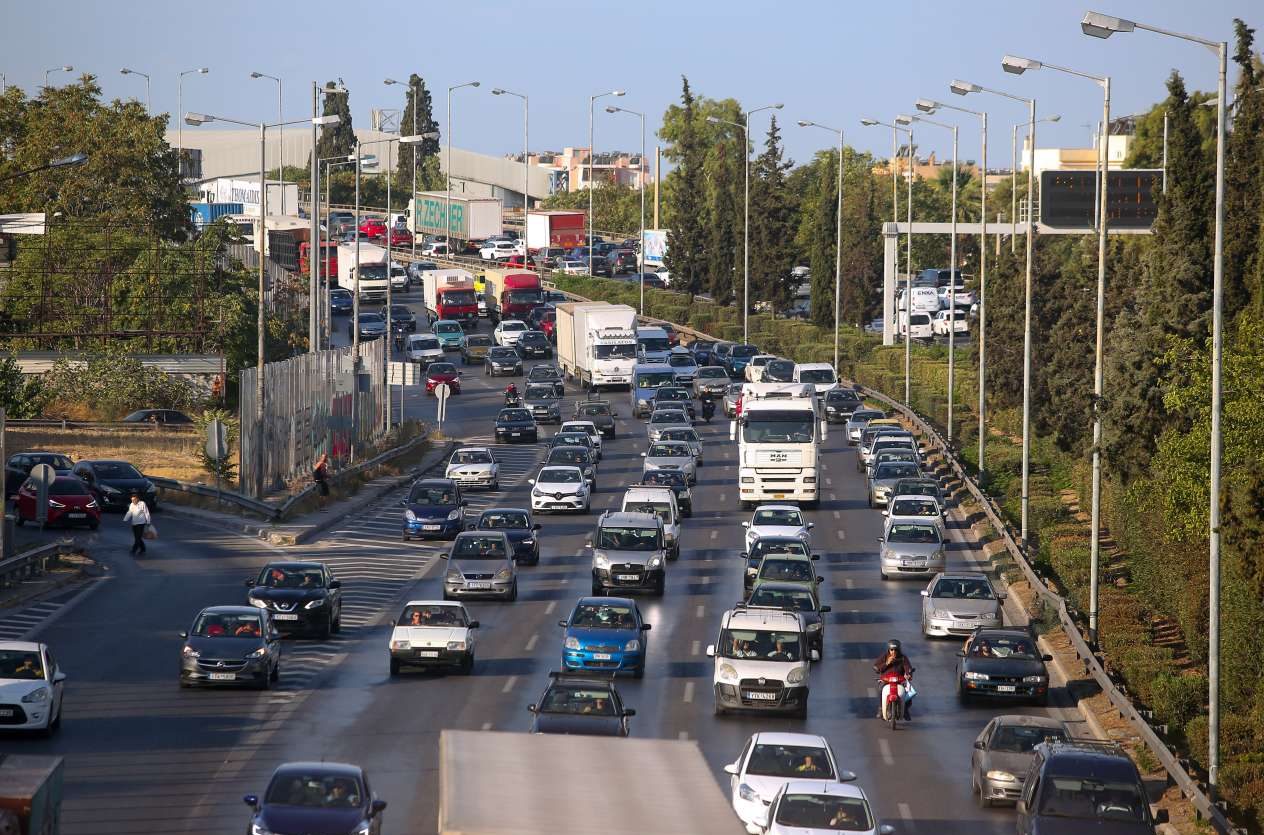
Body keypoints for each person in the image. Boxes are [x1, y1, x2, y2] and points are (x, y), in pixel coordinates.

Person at [872, 639, 916, 719]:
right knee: (880, 689)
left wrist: (908, 674)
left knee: (908, 690)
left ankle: (905, 709)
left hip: (900, 680)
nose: (893, 652)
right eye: (891, 650)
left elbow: (908, 668)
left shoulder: (903, 658)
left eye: (895, 650)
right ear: (889, 650)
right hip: (886, 680)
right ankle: (881, 709)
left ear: (899, 650)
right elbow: (876, 667)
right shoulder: (884, 657)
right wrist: (886, 663)